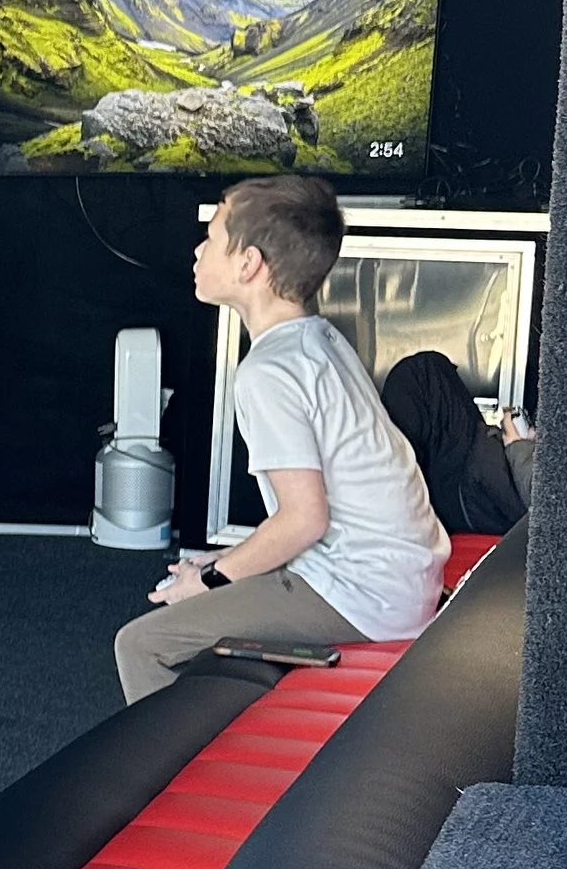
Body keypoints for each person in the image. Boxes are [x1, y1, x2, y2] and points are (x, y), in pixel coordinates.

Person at [114, 175, 448, 703]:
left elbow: (304, 519)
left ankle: (182, 783)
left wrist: (212, 581)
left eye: (213, 236)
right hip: (398, 580)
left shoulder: (268, 371)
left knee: (141, 644)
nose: (198, 249)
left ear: (248, 264)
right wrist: (216, 564)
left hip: (363, 596)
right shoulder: (320, 340)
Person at [380, 347, 536, 535]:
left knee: (421, 374)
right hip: (491, 487)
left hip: (483, 494)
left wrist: (517, 445)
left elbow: (539, 492)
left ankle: (400, 499)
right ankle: (404, 493)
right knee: (427, 374)